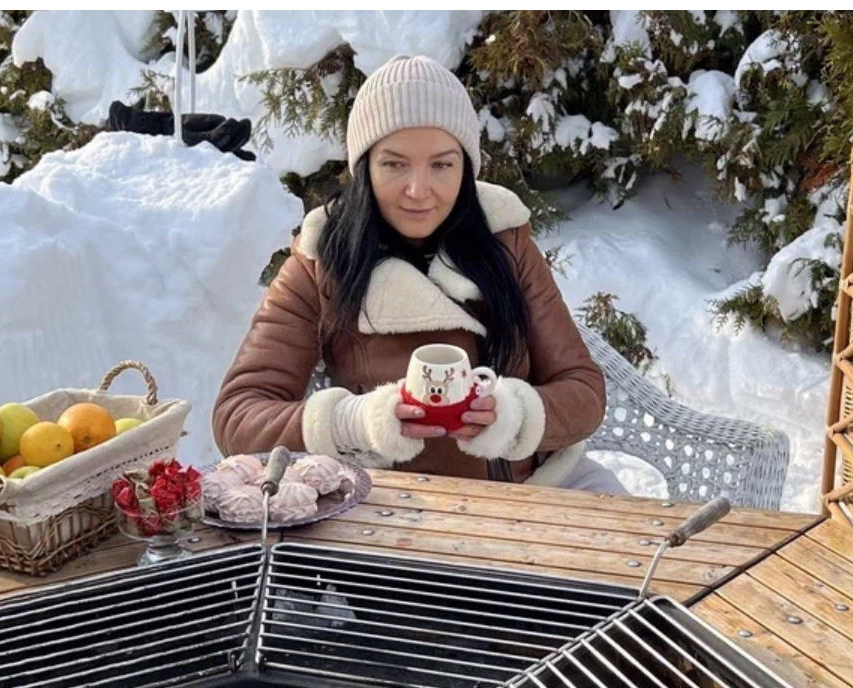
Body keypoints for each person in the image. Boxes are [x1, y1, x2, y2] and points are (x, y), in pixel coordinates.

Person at [213, 55, 625, 493]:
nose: (418, 190)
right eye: (394, 164)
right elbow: (237, 415)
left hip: (536, 488)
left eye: (442, 164)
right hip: (390, 504)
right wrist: (354, 423)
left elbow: (583, 390)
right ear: (365, 167)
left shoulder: (505, 240)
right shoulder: (324, 257)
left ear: (465, 168)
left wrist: (513, 414)